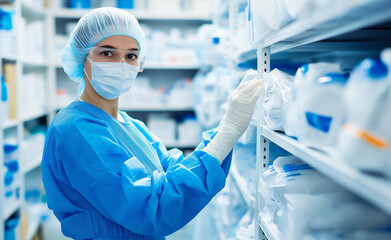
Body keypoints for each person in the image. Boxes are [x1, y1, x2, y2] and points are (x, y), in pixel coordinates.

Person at [41, 7, 264, 240]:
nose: (121, 64)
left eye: (131, 56)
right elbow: (150, 207)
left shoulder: (129, 125)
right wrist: (227, 132)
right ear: (82, 56)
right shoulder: (74, 130)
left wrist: (225, 130)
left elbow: (173, 172)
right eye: (107, 53)